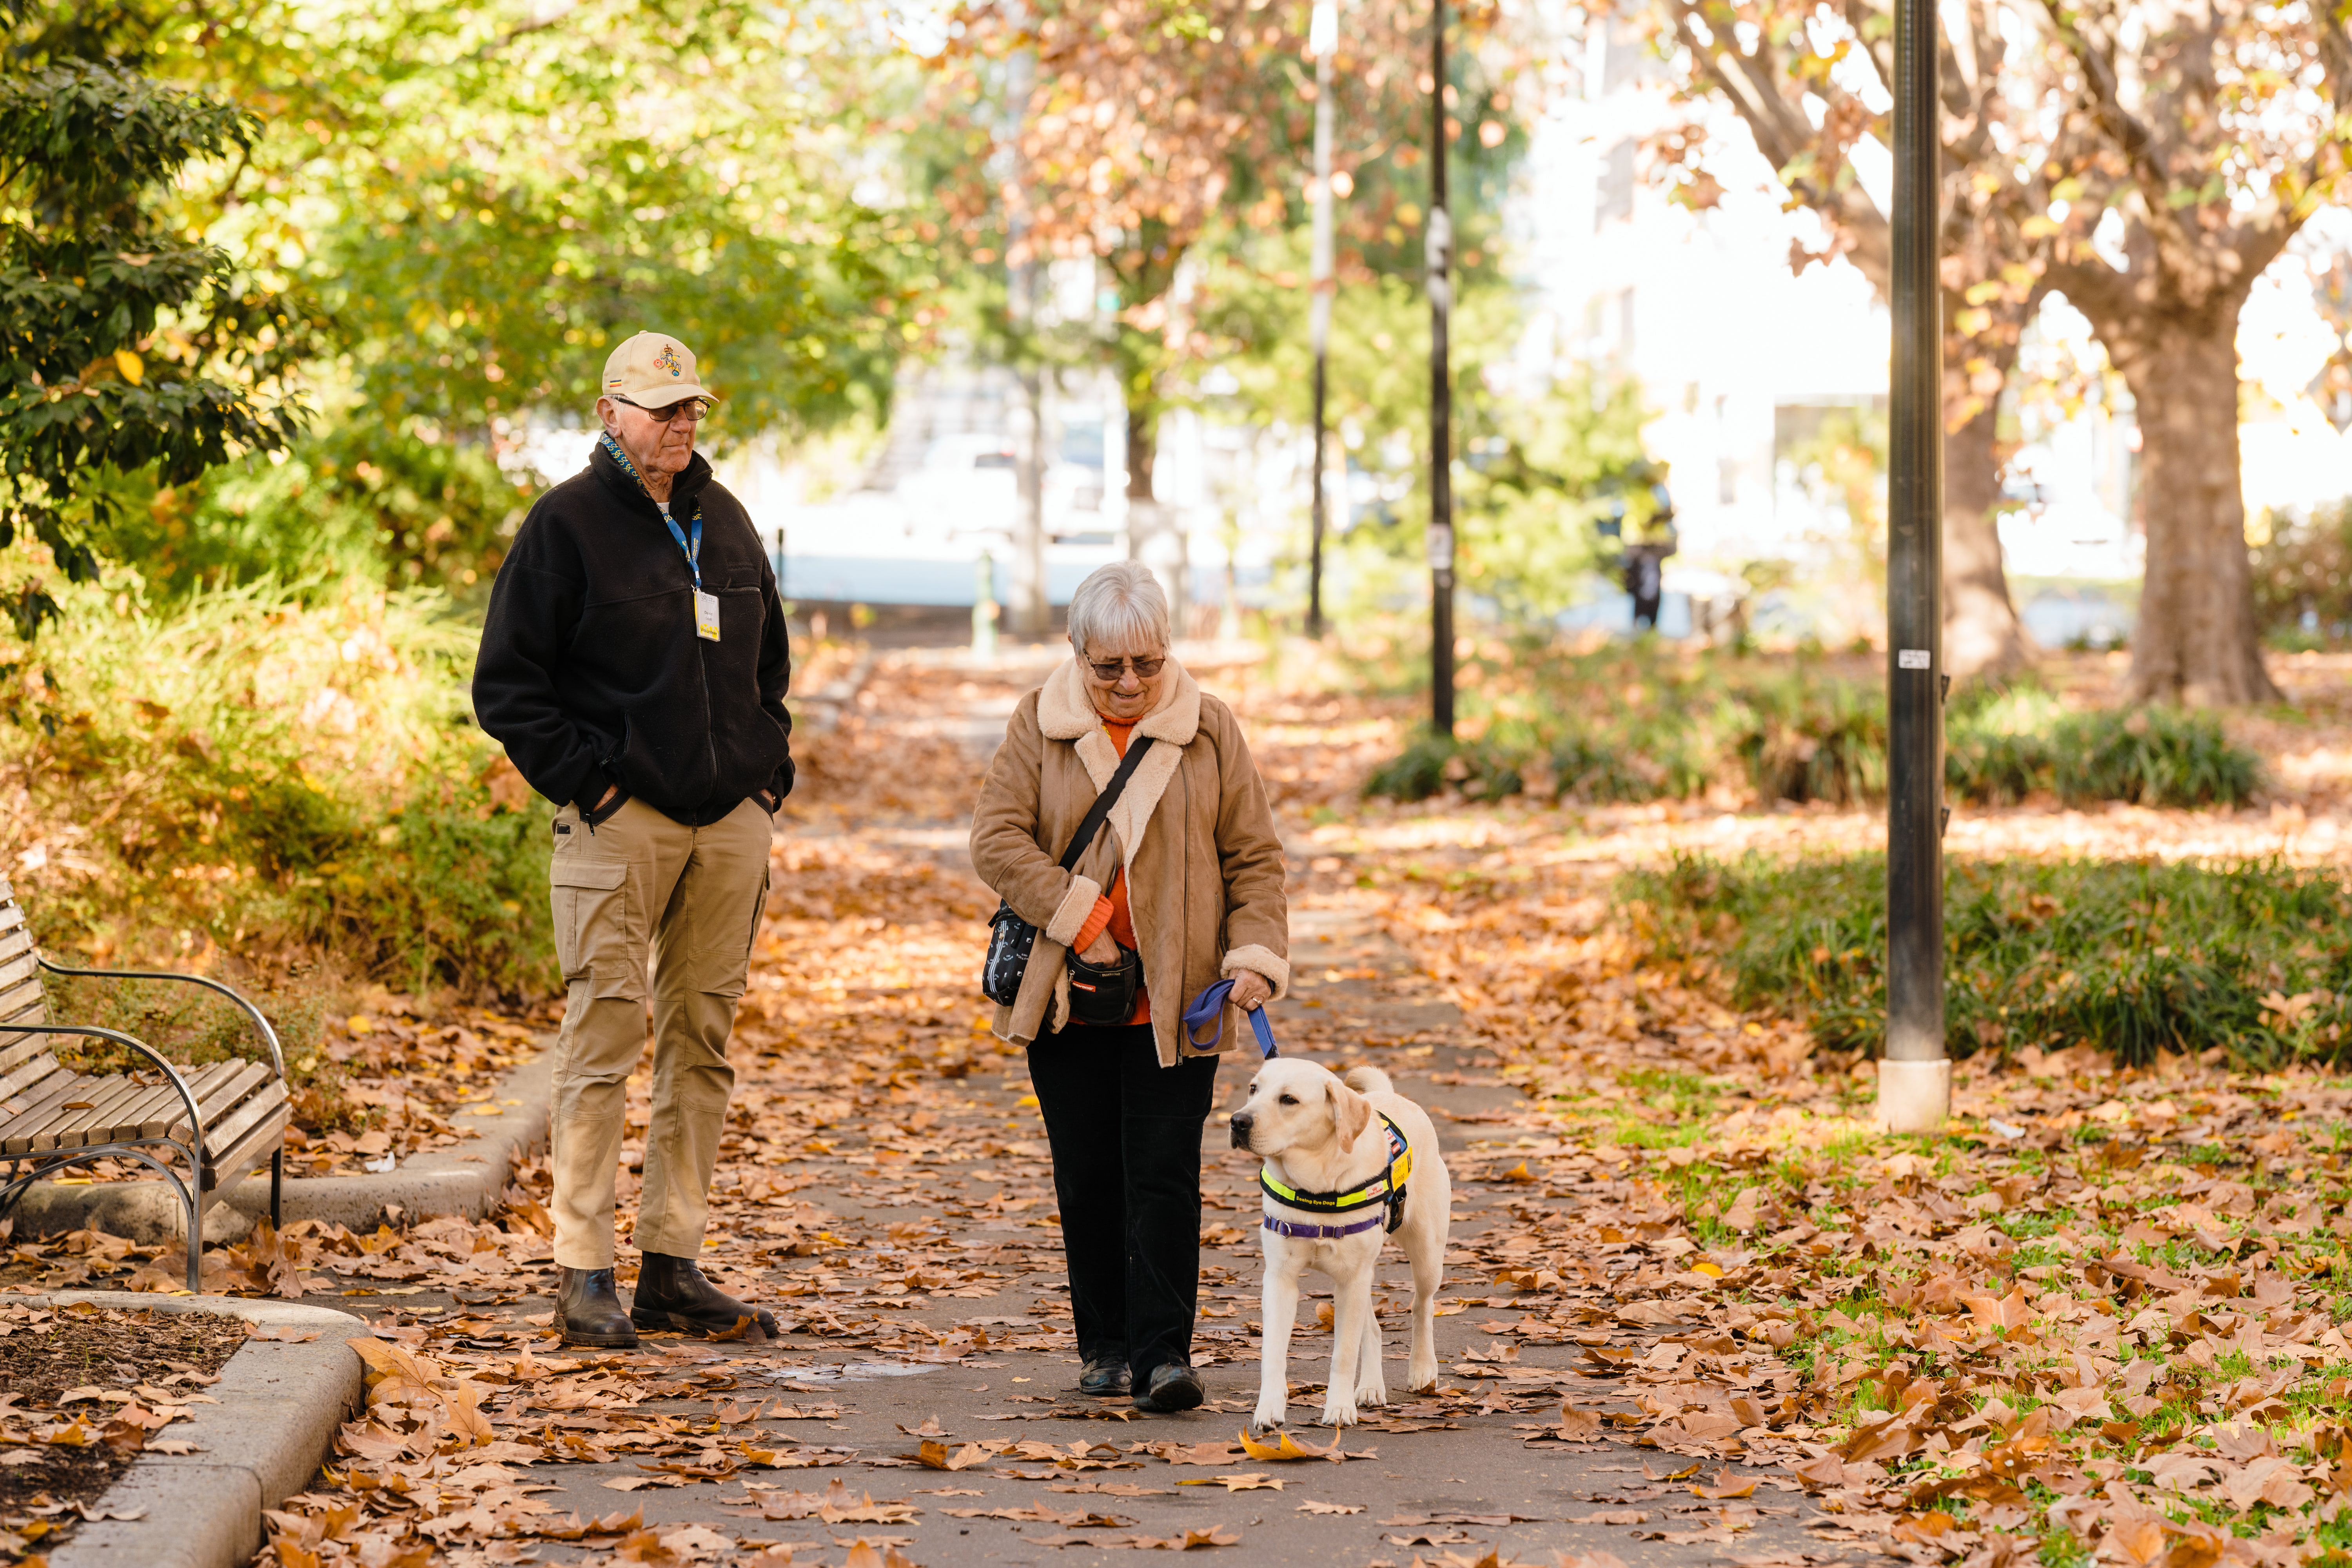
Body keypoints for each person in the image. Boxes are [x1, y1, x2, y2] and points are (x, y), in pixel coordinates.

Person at [473, 330, 793, 1350]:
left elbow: (768, 669)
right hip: (623, 826)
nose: (682, 422)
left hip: (728, 822)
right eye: (662, 407)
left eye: (692, 405)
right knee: (603, 1042)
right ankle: (583, 1275)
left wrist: (765, 773)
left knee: (704, 1046)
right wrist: (594, 784)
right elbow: (507, 689)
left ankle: (671, 1263)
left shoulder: (726, 520)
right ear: (611, 413)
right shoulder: (565, 526)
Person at [969, 562, 1289, 1413]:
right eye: (1108, 667)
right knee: (1088, 1174)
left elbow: (1253, 858)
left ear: (1166, 652)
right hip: (1069, 993)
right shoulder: (1039, 722)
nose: (1129, 683)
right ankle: (1104, 1345)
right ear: (1077, 654)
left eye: (1146, 663)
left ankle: (1163, 1355)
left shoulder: (1209, 729)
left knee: (1164, 1174)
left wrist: (1254, 952)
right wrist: (1083, 914)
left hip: (1177, 998)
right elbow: (996, 839)